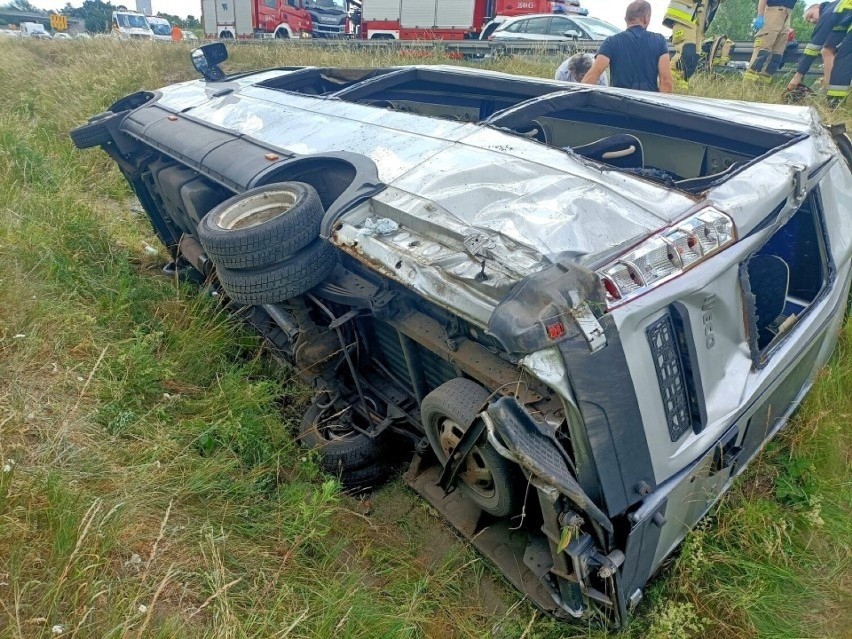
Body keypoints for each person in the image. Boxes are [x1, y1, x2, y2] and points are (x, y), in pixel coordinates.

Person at [581, 1, 673, 92]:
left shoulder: (611, 42)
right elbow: (666, 83)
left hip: (619, 104)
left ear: (626, 19)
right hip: (648, 104)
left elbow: (592, 75)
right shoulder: (660, 41)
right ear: (646, 18)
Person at [787, 2, 851, 94]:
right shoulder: (840, 17)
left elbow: (813, 48)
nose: (812, 21)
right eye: (809, 22)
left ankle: (831, 92)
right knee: (827, 51)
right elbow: (828, 47)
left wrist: (797, 77)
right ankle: (828, 88)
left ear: (817, 7)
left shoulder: (828, 12)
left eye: (810, 16)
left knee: (842, 57)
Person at [664, 0, 732, 88]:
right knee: (687, 53)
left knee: (693, 59)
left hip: (698, 23)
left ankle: (680, 88)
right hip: (684, 16)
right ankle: (667, 83)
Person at [744, 0, 800, 82]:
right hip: (773, 12)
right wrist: (760, 15)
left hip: (787, 14)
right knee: (762, 51)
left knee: (776, 56)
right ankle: (747, 86)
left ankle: (762, 86)